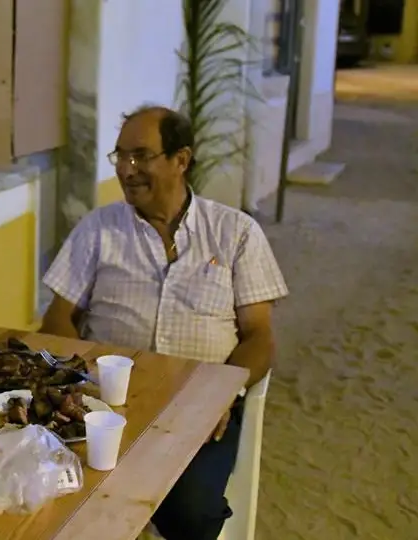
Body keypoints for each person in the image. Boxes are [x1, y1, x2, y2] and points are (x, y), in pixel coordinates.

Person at [41, 105, 288, 540]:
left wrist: (222, 393)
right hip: (107, 401)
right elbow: (58, 316)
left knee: (191, 512)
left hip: (200, 405)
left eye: (140, 156)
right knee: (58, 495)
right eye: (119, 156)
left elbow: (260, 336)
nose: (126, 169)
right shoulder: (98, 229)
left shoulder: (236, 234)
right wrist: (81, 378)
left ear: (181, 159)